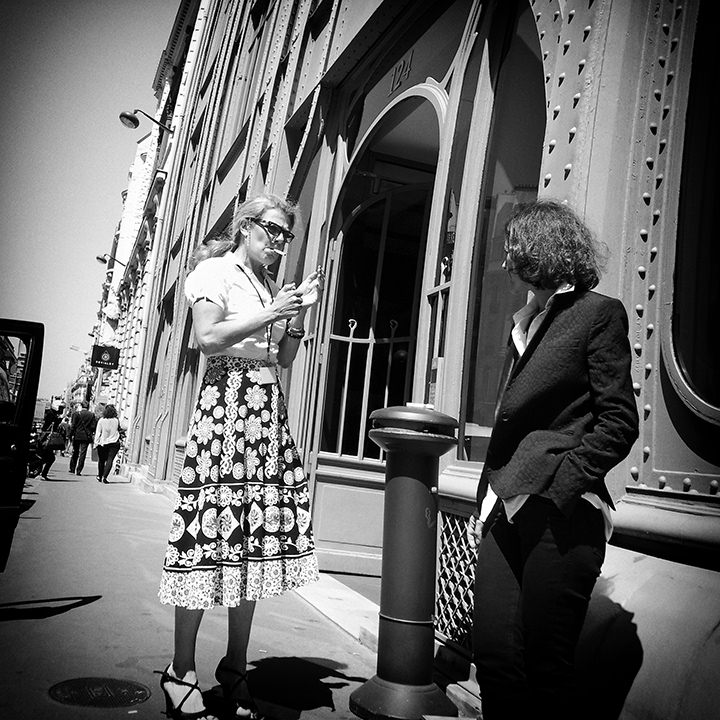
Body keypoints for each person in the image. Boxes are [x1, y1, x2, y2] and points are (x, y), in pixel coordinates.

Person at [468, 200, 639, 720]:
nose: (505, 262)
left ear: (542, 249)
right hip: (504, 503)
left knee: (546, 668)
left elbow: (619, 422)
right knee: (495, 655)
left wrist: (560, 485)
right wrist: (491, 496)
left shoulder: (597, 314)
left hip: (559, 513)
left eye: (512, 249)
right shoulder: (526, 321)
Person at [157, 193, 324, 720]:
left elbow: (285, 357)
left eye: (285, 236)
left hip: (265, 412)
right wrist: (272, 311)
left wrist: (293, 316)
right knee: (206, 538)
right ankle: (181, 668)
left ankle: (235, 666)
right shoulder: (215, 273)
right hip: (226, 411)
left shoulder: (270, 286)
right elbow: (207, 338)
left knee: (251, 544)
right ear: (246, 226)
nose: (278, 242)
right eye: (271, 230)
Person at [69, 400, 97, 476]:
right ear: (88, 407)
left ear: (81, 406)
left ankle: (72, 468)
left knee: (75, 451)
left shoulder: (76, 414)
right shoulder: (91, 415)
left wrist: (70, 435)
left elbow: (73, 426)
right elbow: (93, 426)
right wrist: (90, 431)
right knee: (83, 453)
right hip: (86, 436)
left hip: (77, 435)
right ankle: (79, 470)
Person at [94, 404, 121, 483]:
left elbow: (98, 432)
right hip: (114, 442)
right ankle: (105, 477)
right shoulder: (116, 420)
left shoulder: (101, 420)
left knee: (101, 460)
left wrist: (96, 443)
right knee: (110, 460)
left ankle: (99, 475)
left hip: (103, 443)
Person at [38, 407, 61, 479]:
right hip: (47, 440)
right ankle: (41, 473)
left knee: (45, 457)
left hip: (44, 439)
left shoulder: (49, 414)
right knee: (50, 458)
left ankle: (40, 472)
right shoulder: (53, 417)